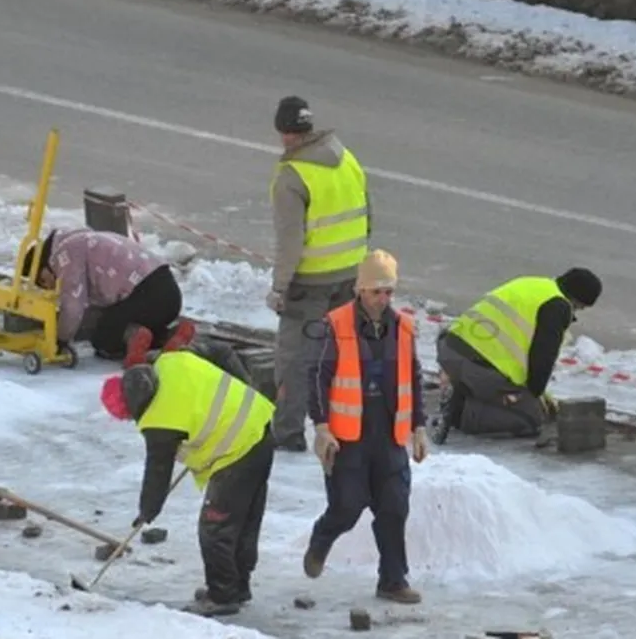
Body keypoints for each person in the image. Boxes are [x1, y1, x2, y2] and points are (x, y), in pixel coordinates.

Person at [99, 348, 277, 616]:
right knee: (243, 522)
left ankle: (222, 595)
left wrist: (148, 510)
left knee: (215, 527)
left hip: (237, 453)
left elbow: (158, 472)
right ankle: (237, 586)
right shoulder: (170, 361)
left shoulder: (159, 420)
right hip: (260, 427)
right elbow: (223, 355)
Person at [302, 249, 429, 604]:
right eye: (376, 291)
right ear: (360, 290)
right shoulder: (335, 324)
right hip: (348, 438)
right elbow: (317, 376)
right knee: (347, 506)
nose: (383, 299)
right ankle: (323, 537)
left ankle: (392, 581)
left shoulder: (403, 327)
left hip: (389, 435)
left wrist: (418, 426)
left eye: (388, 292)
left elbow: (413, 377)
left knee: (394, 508)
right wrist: (322, 425)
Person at [266, 96, 373, 452]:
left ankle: (288, 433)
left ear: (284, 134)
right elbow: (368, 214)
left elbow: (290, 242)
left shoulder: (291, 177)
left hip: (310, 284)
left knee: (296, 360)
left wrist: (279, 287)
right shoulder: (346, 158)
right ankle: (347, 427)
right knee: (343, 353)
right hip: (350, 276)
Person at [433, 268, 602, 441]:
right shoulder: (558, 306)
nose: (575, 313)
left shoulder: (533, 284)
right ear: (575, 299)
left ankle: (463, 391)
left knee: (512, 395)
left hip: (449, 348)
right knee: (531, 418)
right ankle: (460, 414)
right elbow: (542, 358)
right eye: (579, 308)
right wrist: (535, 396)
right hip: (475, 367)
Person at [27, 227, 194, 368]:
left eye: (42, 280)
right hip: (169, 293)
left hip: (146, 293)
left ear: (44, 263)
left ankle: (132, 337)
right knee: (121, 317)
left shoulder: (65, 254)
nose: (48, 286)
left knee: (103, 338)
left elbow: (73, 305)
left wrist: (60, 339)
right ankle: (171, 336)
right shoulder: (83, 238)